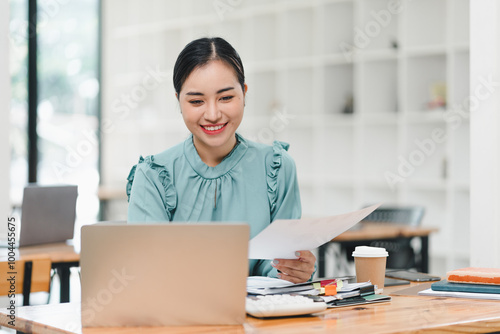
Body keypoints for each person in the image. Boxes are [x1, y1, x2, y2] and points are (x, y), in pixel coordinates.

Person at [126, 37, 315, 283]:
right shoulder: (152, 176)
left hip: (259, 319)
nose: (213, 115)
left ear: (244, 94)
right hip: (178, 318)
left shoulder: (277, 168)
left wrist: (296, 271)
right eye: (196, 101)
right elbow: (149, 275)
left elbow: (278, 273)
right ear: (179, 102)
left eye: (226, 98)